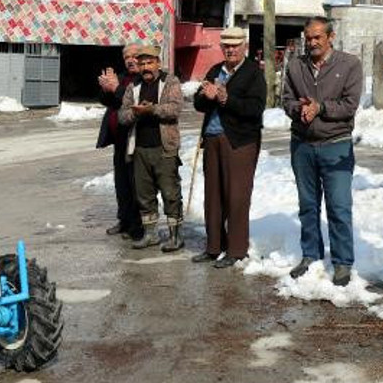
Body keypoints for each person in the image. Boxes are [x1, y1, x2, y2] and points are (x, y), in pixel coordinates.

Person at [282, 16, 363, 287]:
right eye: (309, 37)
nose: (312, 42)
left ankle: (342, 262)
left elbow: (350, 105)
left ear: (331, 36)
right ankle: (310, 255)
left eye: (318, 37)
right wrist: (299, 108)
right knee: (307, 205)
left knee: (339, 207)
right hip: (302, 145)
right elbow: (286, 100)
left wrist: (321, 108)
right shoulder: (295, 65)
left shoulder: (350, 64)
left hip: (336, 145)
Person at [191, 27, 266, 269]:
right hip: (212, 140)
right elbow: (198, 103)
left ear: (244, 46)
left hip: (240, 142)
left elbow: (254, 109)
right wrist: (207, 95)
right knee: (213, 196)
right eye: (227, 46)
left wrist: (224, 98)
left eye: (235, 45)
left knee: (237, 196)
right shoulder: (215, 70)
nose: (231, 49)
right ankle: (214, 247)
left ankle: (236, 250)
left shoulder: (253, 73)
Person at [119, 45, 184, 252]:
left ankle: (175, 236)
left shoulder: (169, 81)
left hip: (164, 147)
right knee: (144, 194)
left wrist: (152, 109)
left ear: (158, 63)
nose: (146, 67)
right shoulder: (133, 86)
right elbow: (122, 116)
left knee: (170, 193)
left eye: (150, 62)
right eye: (142, 63)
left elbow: (174, 109)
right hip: (139, 148)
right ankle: (150, 234)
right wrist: (137, 113)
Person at [97, 44, 144, 241]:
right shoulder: (123, 76)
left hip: (137, 139)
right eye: (127, 57)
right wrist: (106, 89)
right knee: (121, 183)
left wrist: (116, 88)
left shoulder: (145, 79)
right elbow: (108, 101)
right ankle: (124, 219)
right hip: (120, 140)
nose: (130, 60)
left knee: (136, 184)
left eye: (135, 56)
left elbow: (130, 99)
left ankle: (137, 225)